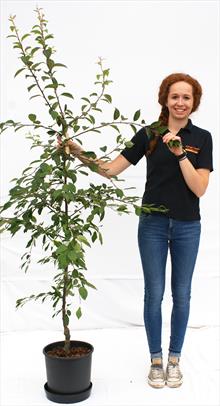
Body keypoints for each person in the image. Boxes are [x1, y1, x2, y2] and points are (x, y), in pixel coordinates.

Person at [57, 73, 213, 389]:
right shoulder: (148, 135)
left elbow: (199, 189)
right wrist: (77, 152)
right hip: (152, 226)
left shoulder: (202, 138)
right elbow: (110, 169)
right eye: (175, 97)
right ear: (164, 100)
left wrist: (180, 153)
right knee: (153, 294)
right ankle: (156, 361)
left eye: (187, 97)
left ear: (194, 102)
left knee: (181, 295)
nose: (180, 103)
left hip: (187, 227)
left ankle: (175, 359)